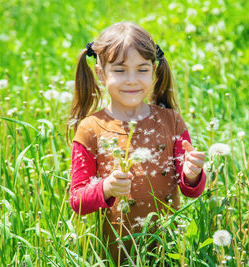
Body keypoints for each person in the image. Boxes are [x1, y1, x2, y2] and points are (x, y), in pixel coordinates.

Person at [67, 22, 206, 263]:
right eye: (120, 70)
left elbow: (190, 189)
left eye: (142, 70)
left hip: (168, 250)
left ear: (154, 70)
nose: (132, 80)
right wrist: (106, 188)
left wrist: (193, 173)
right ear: (101, 73)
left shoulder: (171, 121)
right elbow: (77, 200)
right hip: (115, 255)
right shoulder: (90, 129)